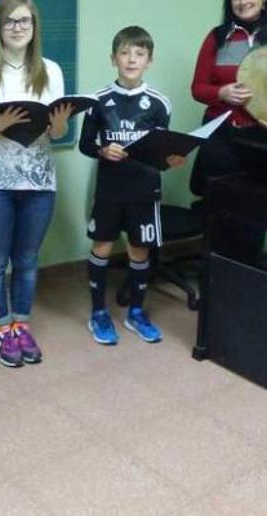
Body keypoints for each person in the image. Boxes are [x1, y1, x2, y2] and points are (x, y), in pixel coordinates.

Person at [0, 0, 72, 367]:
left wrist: (58, 127)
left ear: (34, 26)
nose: (17, 27)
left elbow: (59, 130)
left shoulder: (51, 70)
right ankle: (0, 328)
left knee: (26, 259)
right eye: (9, 21)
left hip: (39, 181)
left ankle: (21, 324)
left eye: (25, 20)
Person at [79, 26, 184, 345]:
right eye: (125, 52)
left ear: (149, 61)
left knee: (140, 249)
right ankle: (98, 313)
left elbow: (161, 154)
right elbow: (85, 144)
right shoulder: (97, 100)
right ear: (114, 59)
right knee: (103, 247)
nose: (131, 59)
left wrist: (171, 161)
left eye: (139, 53)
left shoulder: (159, 104)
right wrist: (101, 150)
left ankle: (136, 313)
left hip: (143, 190)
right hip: (110, 190)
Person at [189, 0, 267, 270]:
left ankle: (247, 272)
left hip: (263, 138)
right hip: (221, 134)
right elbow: (197, 87)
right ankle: (216, 272)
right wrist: (221, 93)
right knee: (219, 206)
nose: (243, 2)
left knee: (257, 207)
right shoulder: (217, 37)